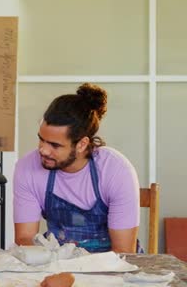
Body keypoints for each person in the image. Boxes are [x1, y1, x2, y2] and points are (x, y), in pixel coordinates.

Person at [13, 83, 140, 253]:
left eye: (54, 145)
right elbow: (25, 241)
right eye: (41, 139)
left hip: (111, 268)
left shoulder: (116, 170)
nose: (43, 150)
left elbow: (123, 251)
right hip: (57, 265)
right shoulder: (27, 167)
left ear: (82, 144)